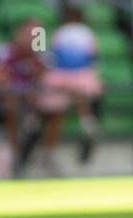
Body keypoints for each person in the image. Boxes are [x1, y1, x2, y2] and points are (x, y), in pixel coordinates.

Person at [39, 5, 104, 169]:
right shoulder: (85, 33)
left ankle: (47, 148)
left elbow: (51, 56)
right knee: (63, 109)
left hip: (62, 78)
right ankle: (87, 120)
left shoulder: (60, 33)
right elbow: (93, 58)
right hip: (74, 78)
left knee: (57, 115)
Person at [0, 18, 52, 170]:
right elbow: (0, 79)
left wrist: (34, 57)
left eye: (38, 33)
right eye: (30, 32)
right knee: (10, 101)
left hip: (32, 98)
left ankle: (47, 155)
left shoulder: (40, 54)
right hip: (6, 97)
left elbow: (44, 77)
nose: (33, 37)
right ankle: (14, 151)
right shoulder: (4, 50)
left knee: (57, 102)